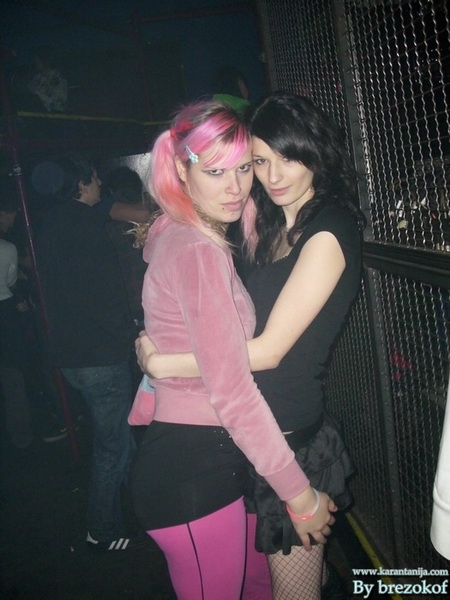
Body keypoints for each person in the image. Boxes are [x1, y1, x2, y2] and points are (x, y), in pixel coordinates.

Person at [137, 93, 364, 599]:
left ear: (316, 154)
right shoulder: (266, 223)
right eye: (260, 161)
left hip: (288, 438)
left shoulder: (328, 232)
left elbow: (268, 351)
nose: (272, 175)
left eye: (289, 157)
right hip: (250, 438)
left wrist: (163, 364)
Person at [35, 153, 137, 553]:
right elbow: (104, 297)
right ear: (81, 184)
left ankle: (135, 505)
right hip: (99, 356)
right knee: (112, 447)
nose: (99, 185)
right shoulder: (88, 228)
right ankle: (102, 529)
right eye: (94, 179)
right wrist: (130, 335)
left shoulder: (50, 226)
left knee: (120, 439)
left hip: (71, 354)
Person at [0, 192, 34, 450]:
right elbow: (10, 280)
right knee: (12, 376)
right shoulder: (7, 248)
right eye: (12, 213)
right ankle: (21, 437)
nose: (14, 218)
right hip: (5, 312)